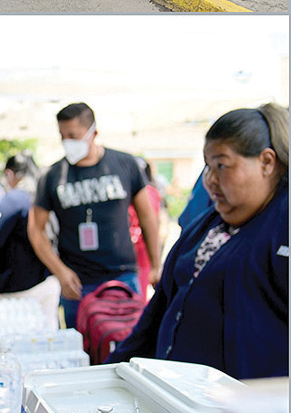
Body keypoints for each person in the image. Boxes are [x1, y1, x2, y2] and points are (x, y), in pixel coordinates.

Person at [108, 103, 288, 379]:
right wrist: (112, 369)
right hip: (178, 394)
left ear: (266, 162)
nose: (210, 180)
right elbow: (158, 311)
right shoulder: (207, 225)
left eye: (222, 165)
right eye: (207, 166)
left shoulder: (281, 227)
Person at [28, 102, 162, 329]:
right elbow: (35, 229)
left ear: (94, 133)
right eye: (63, 136)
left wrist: (156, 265)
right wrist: (60, 271)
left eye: (73, 135)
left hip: (122, 277)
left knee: (125, 345)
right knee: (81, 350)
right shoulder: (52, 175)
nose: (67, 142)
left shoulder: (125, 164)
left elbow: (148, 216)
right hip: (77, 283)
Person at [0, 154, 59, 329]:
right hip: (48, 281)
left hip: (19, 287)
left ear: (10, 174)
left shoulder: (15, 198)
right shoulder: (45, 195)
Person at [127, 158, 163, 302]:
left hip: (141, 246)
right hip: (132, 246)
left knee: (139, 288)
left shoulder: (148, 192)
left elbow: (149, 219)